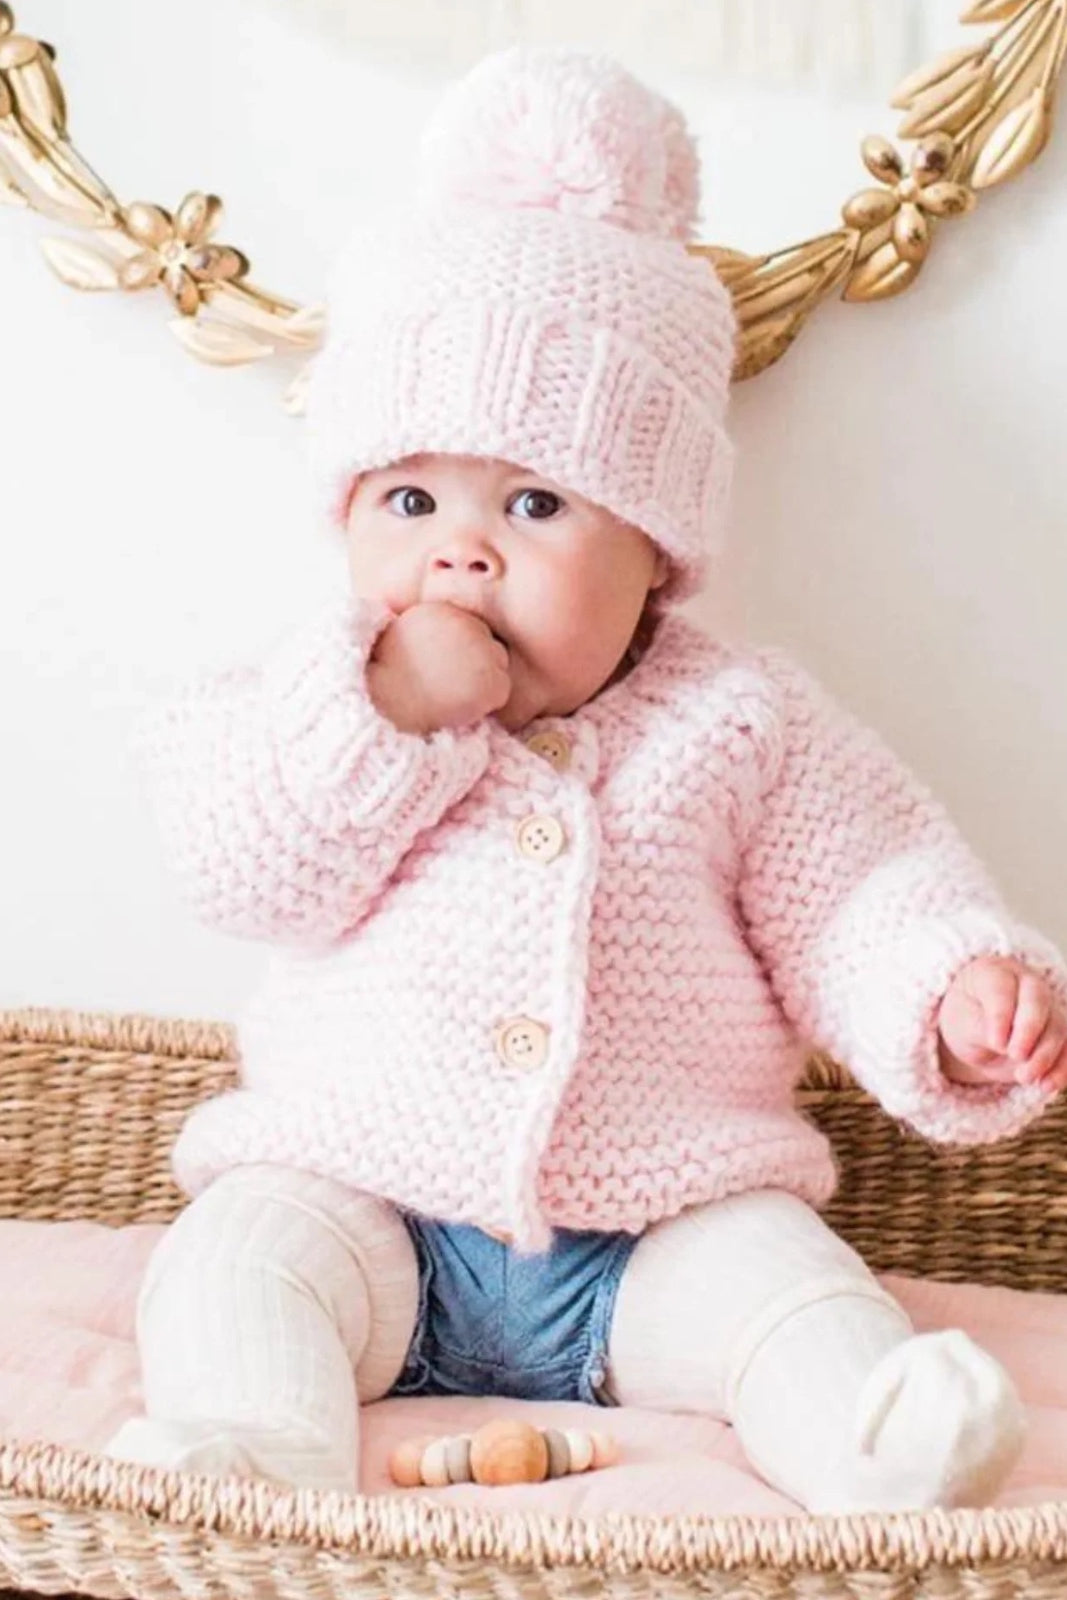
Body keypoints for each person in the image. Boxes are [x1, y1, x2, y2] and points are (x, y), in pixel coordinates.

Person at [106, 46, 1067, 1512]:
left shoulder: (737, 722)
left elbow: (860, 892)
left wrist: (950, 989)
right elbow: (240, 862)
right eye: (411, 497)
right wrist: (386, 714)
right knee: (236, 1255)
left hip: (662, 1234)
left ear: (657, 549)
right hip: (369, 1203)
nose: (462, 550)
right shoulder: (315, 696)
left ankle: (884, 1453)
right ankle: (255, 1460)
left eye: (536, 503)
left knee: (789, 1293)